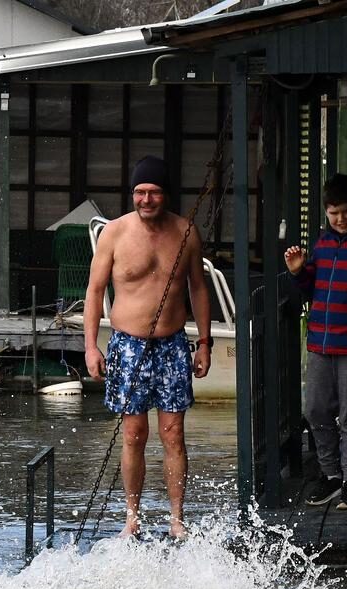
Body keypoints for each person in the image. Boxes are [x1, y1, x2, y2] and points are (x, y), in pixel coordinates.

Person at [84, 156, 212, 539]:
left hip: (172, 344)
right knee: (133, 434)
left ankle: (177, 519)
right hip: (126, 346)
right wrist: (91, 346)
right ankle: (132, 518)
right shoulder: (115, 233)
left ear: (165, 195)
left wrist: (204, 343)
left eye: (153, 192)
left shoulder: (185, 231)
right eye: (140, 192)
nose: (146, 199)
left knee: (173, 433)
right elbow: (93, 291)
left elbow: (198, 288)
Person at [283, 173, 347, 510]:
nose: (340, 219)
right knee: (314, 410)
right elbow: (310, 289)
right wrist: (299, 272)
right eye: (333, 213)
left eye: (345, 212)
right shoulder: (323, 243)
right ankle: (330, 475)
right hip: (319, 343)